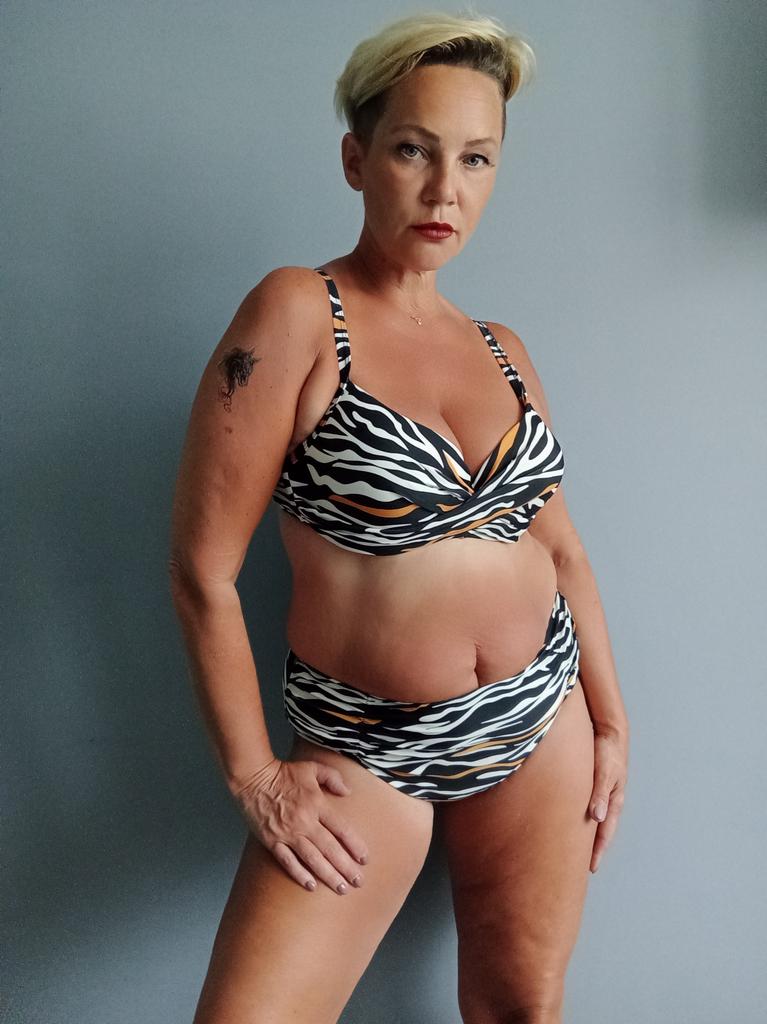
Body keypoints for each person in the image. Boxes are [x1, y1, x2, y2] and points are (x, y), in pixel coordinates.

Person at [169, 10, 630, 1024]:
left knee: (519, 1009)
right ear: (357, 159)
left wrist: (609, 720)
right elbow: (203, 568)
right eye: (413, 150)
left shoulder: (502, 348)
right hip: (365, 741)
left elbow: (559, 547)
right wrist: (254, 775)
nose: (443, 189)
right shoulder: (297, 312)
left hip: (536, 716)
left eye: (475, 158)